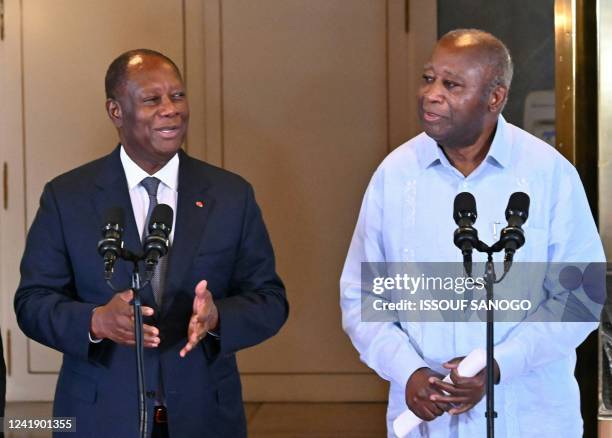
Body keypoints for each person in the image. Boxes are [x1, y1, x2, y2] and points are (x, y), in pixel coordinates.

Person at [340, 29, 605, 437]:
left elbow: (581, 295)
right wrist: (407, 370)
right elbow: (362, 296)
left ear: (494, 97)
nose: (431, 94)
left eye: (452, 84)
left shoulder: (547, 174)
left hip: (529, 417)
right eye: (429, 79)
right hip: (428, 424)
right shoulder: (395, 175)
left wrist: (498, 365)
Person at [14, 49, 288, 437]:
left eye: (177, 96)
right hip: (98, 418)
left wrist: (217, 317)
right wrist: (96, 322)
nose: (170, 109)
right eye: (151, 99)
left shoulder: (231, 195)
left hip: (204, 416)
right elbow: (32, 301)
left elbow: (270, 299)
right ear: (116, 111)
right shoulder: (66, 197)